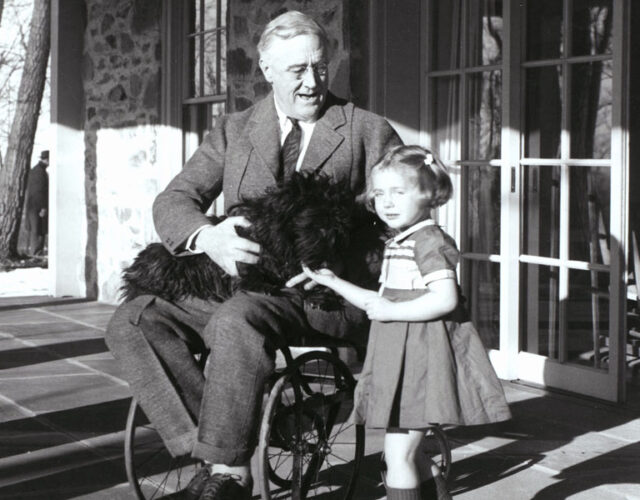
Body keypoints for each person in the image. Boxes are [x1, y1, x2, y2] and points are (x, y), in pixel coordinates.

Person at [105, 10, 401, 500]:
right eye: (297, 71)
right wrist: (207, 238)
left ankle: (229, 476)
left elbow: (397, 230)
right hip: (236, 284)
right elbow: (173, 201)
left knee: (236, 321)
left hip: (315, 296)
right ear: (266, 69)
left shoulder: (367, 132)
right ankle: (219, 444)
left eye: (320, 68)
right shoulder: (236, 129)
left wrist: (340, 269)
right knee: (133, 320)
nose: (312, 83)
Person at [301, 145, 512, 500]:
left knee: (398, 456)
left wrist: (392, 312)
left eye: (399, 192)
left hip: (421, 361)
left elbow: (444, 299)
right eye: (379, 194)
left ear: (431, 193)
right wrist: (332, 282)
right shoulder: (402, 240)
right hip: (401, 360)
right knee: (407, 454)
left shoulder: (429, 241)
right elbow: (376, 303)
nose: (387, 202)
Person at [22, 150, 49, 257]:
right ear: (46, 160)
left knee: (36, 231)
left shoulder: (37, 170)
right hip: (37, 207)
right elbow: (38, 191)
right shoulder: (39, 172)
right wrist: (43, 207)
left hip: (34, 207)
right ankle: (36, 255)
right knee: (38, 232)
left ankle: (36, 254)